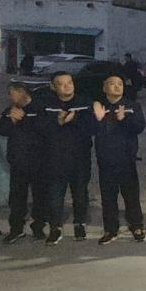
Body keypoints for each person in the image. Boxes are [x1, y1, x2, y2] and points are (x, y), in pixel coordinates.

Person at [39, 71, 96, 245]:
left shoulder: (84, 103)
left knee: (80, 194)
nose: (67, 86)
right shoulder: (46, 104)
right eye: (61, 83)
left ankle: (80, 224)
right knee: (55, 196)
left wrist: (75, 119)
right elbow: (40, 128)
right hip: (54, 158)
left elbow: (93, 127)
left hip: (79, 158)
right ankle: (55, 228)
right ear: (53, 86)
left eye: (69, 82)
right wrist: (58, 122)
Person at [91, 74, 146, 246]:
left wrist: (124, 120)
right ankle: (110, 229)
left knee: (131, 195)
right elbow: (90, 130)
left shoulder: (132, 106)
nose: (117, 87)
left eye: (120, 84)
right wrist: (98, 119)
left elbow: (139, 127)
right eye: (112, 84)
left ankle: (136, 226)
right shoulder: (99, 107)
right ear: (104, 87)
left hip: (126, 159)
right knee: (108, 196)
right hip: (106, 159)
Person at [0, 81, 48, 244]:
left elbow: (46, 129)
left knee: (40, 197)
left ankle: (38, 227)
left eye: (12, 93)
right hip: (18, 162)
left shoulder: (40, 109)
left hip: (39, 161)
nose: (10, 97)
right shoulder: (9, 111)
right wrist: (11, 120)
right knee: (17, 198)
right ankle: (16, 229)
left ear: (22, 92)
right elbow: (1, 130)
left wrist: (24, 119)